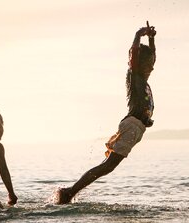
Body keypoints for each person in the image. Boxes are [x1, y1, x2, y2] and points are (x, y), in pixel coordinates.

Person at [56, 22, 157, 204]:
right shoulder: (135, 77)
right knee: (107, 166)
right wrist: (138, 35)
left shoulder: (143, 77)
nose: (152, 67)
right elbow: (134, 56)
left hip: (137, 128)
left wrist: (151, 39)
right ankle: (69, 192)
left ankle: (70, 192)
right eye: (148, 64)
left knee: (107, 166)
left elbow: (152, 57)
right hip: (132, 125)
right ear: (139, 64)